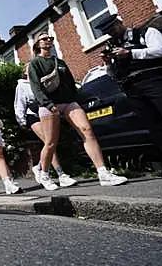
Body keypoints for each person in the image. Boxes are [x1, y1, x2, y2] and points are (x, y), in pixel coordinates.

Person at [28, 32, 128, 187]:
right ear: (37, 44)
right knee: (51, 142)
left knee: (87, 130)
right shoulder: (35, 63)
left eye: (50, 38)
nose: (48, 40)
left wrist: (85, 99)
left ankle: (103, 173)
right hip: (49, 105)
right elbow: (36, 87)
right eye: (44, 39)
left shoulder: (59, 62)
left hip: (68, 102)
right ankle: (45, 174)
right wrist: (48, 104)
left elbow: (71, 85)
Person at [95, 14, 162, 160]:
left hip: (153, 80)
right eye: (108, 32)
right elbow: (113, 74)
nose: (112, 34)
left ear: (119, 22)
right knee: (154, 126)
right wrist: (108, 63)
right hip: (131, 88)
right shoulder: (113, 45)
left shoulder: (145, 32)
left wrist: (131, 53)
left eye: (112, 29)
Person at [15, 63, 77, 190]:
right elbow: (19, 104)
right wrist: (21, 121)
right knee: (48, 142)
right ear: (26, 73)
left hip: (46, 112)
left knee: (51, 143)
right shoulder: (21, 85)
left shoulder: (41, 81)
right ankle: (61, 174)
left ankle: (39, 167)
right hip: (33, 116)